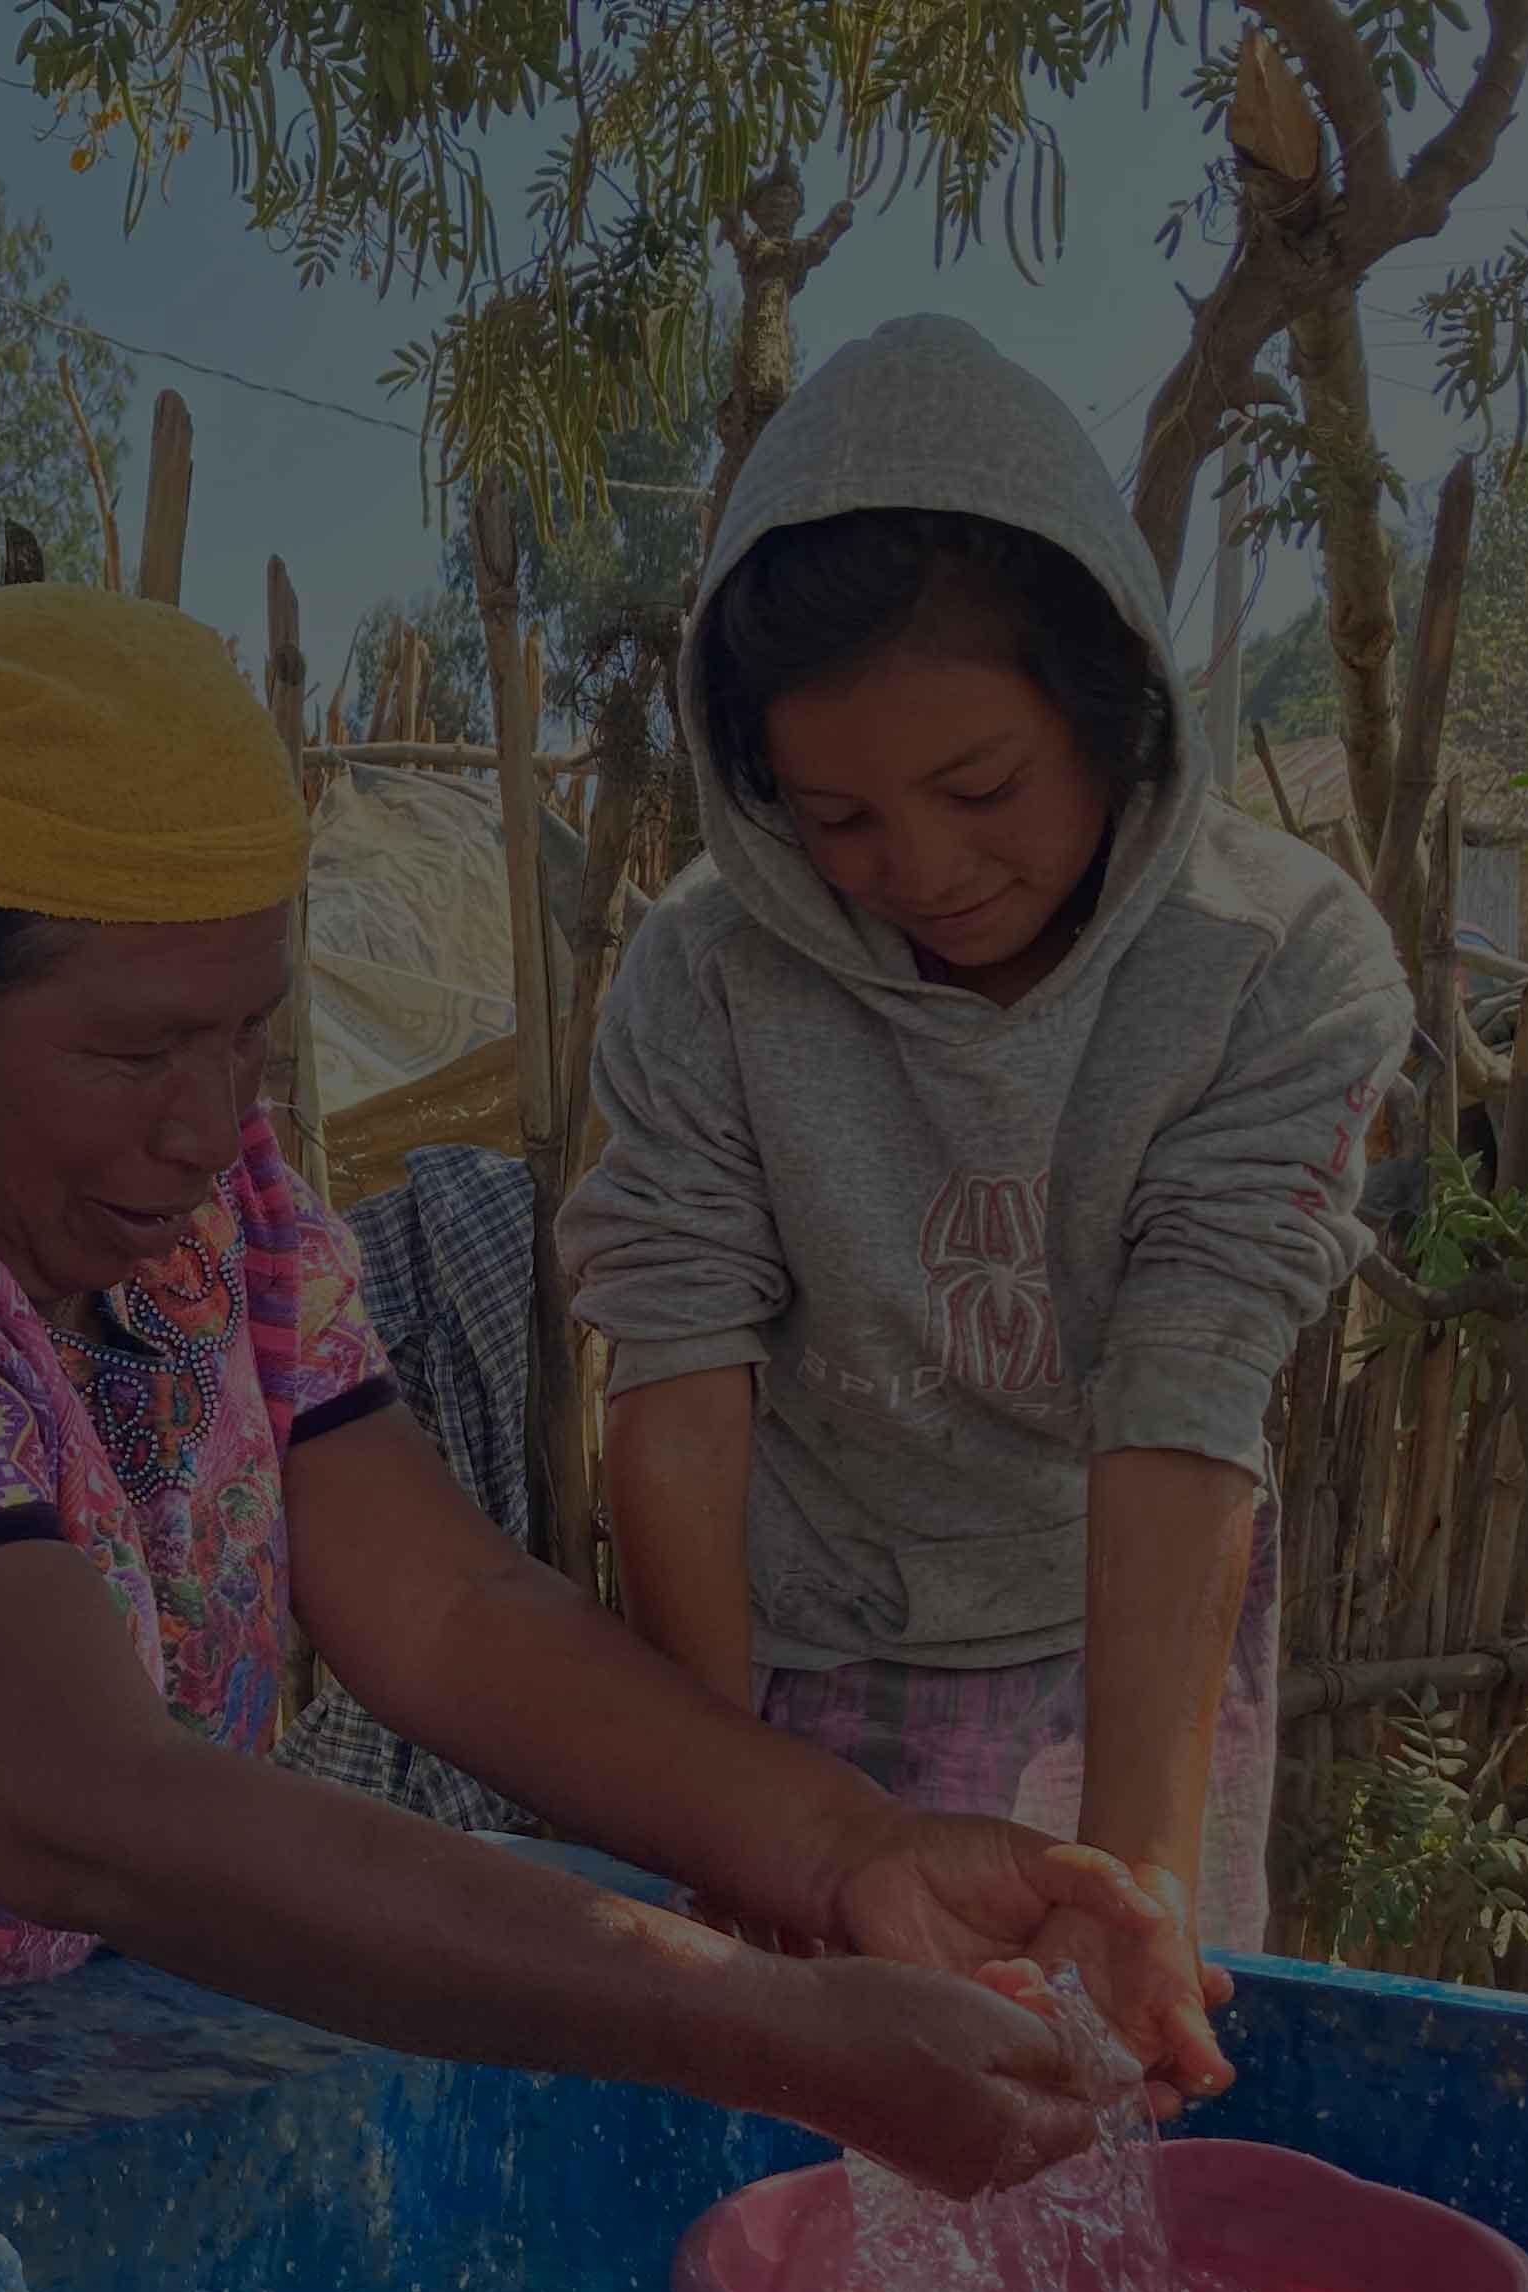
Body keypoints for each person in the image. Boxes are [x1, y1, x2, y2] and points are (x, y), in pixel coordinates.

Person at [0, 581, 1226, 2197]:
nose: (210, 1123)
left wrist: (850, 1852)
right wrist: (766, 2030)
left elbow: (449, 1610)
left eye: (246, 1036)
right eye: (135, 1054)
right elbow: (86, 1810)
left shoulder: (197, 1202)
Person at [566, 316, 1408, 2007]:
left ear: (1110, 708)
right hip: (803, 1645)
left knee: (1100, 2059)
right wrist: (735, 1817)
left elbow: (1187, 1386)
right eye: (841, 819)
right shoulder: (708, 972)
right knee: (799, 2068)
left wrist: (1135, 1882)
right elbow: (677, 1379)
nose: (926, 867)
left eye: (982, 786)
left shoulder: (1277, 962)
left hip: (1119, 1644)